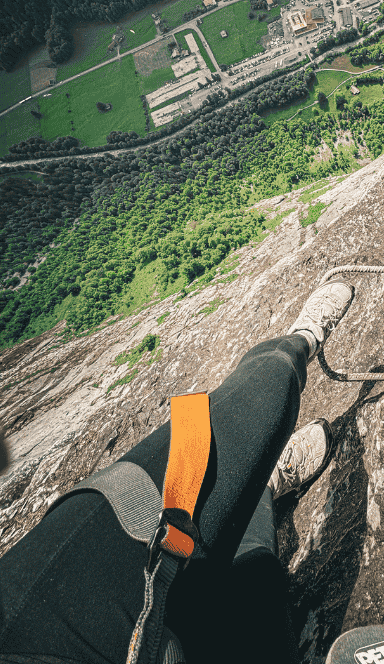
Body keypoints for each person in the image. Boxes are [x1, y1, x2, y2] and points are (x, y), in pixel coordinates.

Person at [0, 279, 355, 664]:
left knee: (247, 410)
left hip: (31, 632)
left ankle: (300, 340)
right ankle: (264, 490)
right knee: (258, 581)